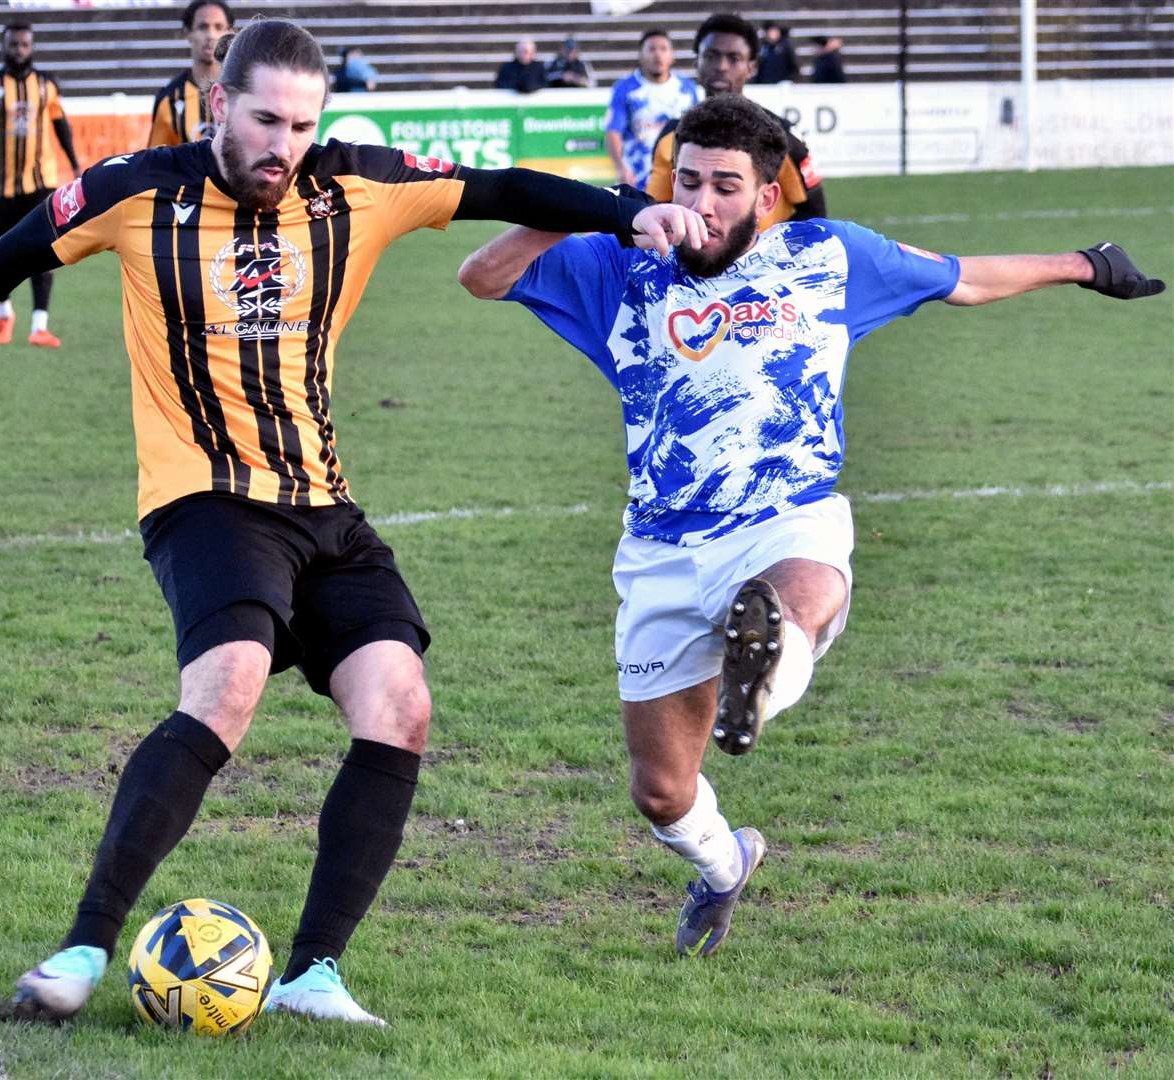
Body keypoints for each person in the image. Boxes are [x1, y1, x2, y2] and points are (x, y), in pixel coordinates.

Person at [0, 18, 703, 1028]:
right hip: (202, 498)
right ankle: (81, 949)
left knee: (401, 705)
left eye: (301, 124)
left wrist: (632, 211)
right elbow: (9, 254)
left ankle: (312, 975)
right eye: (264, 119)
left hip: (321, 503)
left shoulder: (358, 184)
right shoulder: (136, 191)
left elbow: (503, 187)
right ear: (220, 101)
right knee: (230, 684)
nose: (282, 144)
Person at [458, 93, 1163, 959]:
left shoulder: (827, 256)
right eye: (688, 181)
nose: (703, 202)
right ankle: (725, 865)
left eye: (725, 185)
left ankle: (769, 659)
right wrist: (589, 210)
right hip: (661, 550)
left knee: (797, 591)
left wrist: (1084, 264)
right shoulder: (616, 266)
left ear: (767, 196)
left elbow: (962, 277)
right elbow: (480, 277)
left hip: (785, 513)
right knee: (660, 792)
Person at [0, 22, 80, 349]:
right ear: (4, 46)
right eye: (14, 44)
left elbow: (60, 125)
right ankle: (5, 312)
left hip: (41, 182)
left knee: (44, 252)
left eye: (24, 44)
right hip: (1, 186)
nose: (19, 50)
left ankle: (40, 325)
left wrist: (75, 162)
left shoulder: (46, 85)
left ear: (32, 47)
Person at [646, 13, 825, 226]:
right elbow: (658, 208)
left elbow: (815, 217)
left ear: (752, 67)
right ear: (697, 62)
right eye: (711, 56)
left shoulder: (782, 136)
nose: (721, 66)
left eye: (734, 58)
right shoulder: (671, 135)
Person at [604, 28, 699, 190]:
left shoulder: (687, 89)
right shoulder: (625, 88)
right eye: (651, 49)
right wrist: (621, 168)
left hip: (678, 179)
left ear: (672, 56)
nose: (658, 55)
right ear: (640, 56)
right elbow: (613, 132)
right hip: (637, 179)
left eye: (663, 49)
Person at [149, 0, 234, 148]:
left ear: (230, 33)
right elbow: (155, 163)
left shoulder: (244, 92)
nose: (211, 35)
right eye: (203, 27)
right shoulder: (169, 99)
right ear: (187, 33)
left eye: (219, 27)